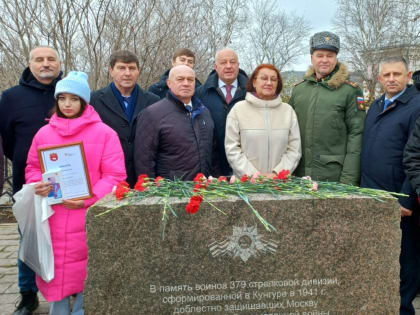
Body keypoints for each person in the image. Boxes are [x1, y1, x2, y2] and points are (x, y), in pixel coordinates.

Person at [25, 71, 126, 315]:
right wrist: (38, 184)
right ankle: (57, 311)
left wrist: (88, 199)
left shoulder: (105, 134)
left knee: (87, 272)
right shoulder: (44, 134)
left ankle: (83, 309)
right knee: (56, 271)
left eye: (73, 99)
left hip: (88, 215)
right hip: (53, 215)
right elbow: (33, 168)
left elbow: (115, 176)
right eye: (62, 99)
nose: (67, 104)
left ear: (84, 101)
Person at [0, 46, 62, 315]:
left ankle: (66, 290)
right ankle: (27, 296)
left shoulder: (70, 93)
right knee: (29, 240)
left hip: (67, 184)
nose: (45, 64)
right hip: (29, 184)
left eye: (51, 59)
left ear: (60, 63)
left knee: (65, 240)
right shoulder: (11, 97)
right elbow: (8, 141)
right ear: (30, 64)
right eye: (40, 59)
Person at [361, 57, 420, 315]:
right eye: (387, 75)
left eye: (397, 74)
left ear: (408, 76)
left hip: (399, 198)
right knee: (380, 258)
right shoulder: (376, 105)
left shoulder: (416, 106)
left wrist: (406, 199)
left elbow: (416, 156)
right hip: (373, 195)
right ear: (379, 78)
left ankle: (404, 309)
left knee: (406, 260)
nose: (392, 79)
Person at [289, 31, 366, 185]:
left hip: (333, 177)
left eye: (330, 56)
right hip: (299, 176)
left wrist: (348, 180)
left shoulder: (350, 91)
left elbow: (356, 135)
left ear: (336, 58)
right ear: (312, 58)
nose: (325, 60)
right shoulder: (299, 90)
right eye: (320, 55)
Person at [90, 50, 159, 187]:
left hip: (145, 177)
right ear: (111, 70)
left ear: (138, 71)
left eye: (132, 68)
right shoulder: (94, 100)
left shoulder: (153, 101)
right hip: (108, 177)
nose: (127, 73)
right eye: (121, 68)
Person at [135, 65, 214, 180]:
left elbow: (213, 153)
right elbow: (144, 160)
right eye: (180, 79)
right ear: (169, 83)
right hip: (170, 191)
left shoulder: (204, 112)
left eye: (190, 80)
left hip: (204, 188)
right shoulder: (152, 114)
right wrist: (151, 191)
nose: (186, 83)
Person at [225, 64, 301, 178]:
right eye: (264, 78)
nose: (269, 83)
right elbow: (232, 149)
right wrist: (253, 176)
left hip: (280, 184)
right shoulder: (238, 110)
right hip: (247, 184)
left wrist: (277, 174)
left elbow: (294, 150)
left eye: (273, 79)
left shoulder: (288, 112)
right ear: (254, 82)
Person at [196, 48, 248, 176]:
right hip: (213, 165)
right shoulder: (201, 93)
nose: (229, 66)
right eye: (224, 62)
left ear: (238, 65)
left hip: (246, 164)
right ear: (216, 66)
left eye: (232, 62)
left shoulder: (252, 92)